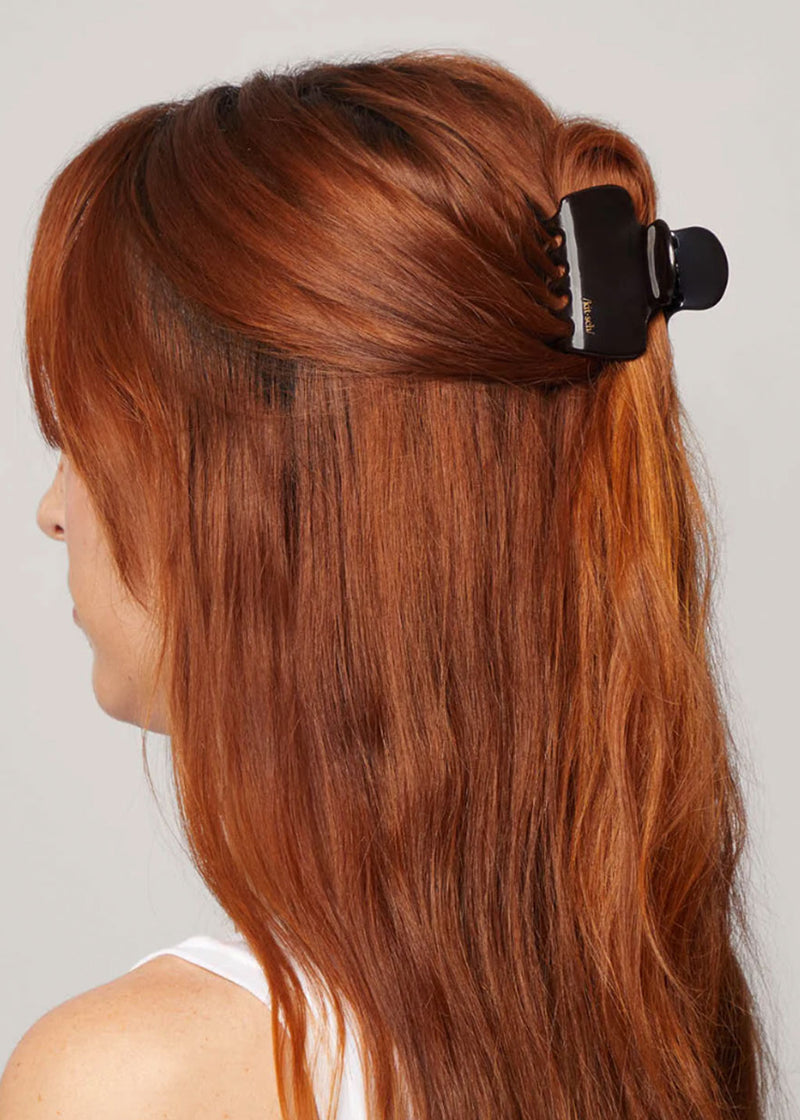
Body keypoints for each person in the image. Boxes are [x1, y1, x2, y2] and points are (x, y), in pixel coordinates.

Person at [0, 47, 787, 1120]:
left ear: (272, 497)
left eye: (85, 439)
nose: (54, 509)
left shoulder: (134, 1083)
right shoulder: (659, 1021)